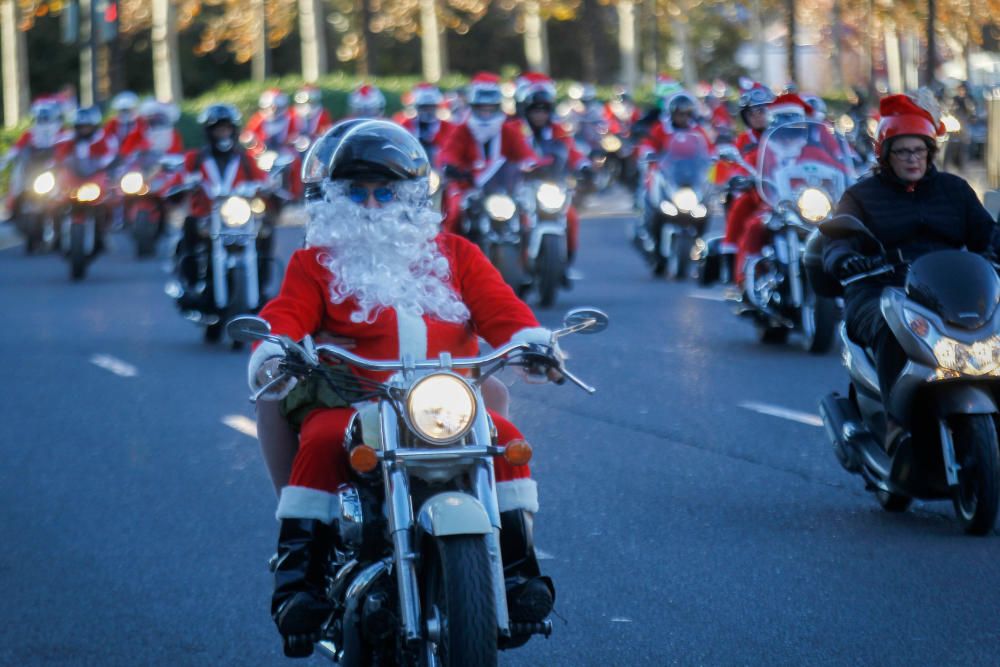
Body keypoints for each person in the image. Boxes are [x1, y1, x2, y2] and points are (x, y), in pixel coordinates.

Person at [247, 119, 558, 646]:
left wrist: (534, 341)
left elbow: (501, 309)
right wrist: (276, 347)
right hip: (355, 397)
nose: (372, 205)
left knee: (503, 436)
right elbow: (287, 313)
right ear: (332, 198)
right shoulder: (314, 263)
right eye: (357, 192)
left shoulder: (456, 253)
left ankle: (514, 574)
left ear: (412, 195)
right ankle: (299, 584)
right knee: (322, 439)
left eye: (386, 191)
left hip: (443, 400)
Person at [822, 93, 998, 431]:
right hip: (882, 289)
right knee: (892, 329)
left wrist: (995, 251)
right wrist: (845, 259)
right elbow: (838, 240)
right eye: (903, 151)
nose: (913, 159)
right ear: (886, 154)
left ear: (931, 152)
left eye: (920, 150)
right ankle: (896, 423)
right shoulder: (861, 196)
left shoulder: (955, 190)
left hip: (947, 290)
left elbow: (985, 234)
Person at [176, 105, 268, 300]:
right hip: (206, 217)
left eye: (226, 129)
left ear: (234, 131)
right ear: (209, 132)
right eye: (218, 129)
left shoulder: (245, 159)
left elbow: (263, 180)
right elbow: (177, 179)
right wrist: (185, 182)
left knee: (265, 229)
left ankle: (262, 285)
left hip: (239, 219)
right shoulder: (195, 158)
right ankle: (190, 285)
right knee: (189, 226)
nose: (223, 133)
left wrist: (269, 185)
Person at [438, 72, 542, 234]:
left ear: (498, 107)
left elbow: (525, 153)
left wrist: (532, 164)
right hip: (470, 188)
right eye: (481, 109)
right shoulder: (462, 130)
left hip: (504, 189)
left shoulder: (509, 129)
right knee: (454, 215)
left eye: (490, 109)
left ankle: (527, 253)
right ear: (473, 108)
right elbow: (449, 153)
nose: (486, 113)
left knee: (527, 216)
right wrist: (450, 167)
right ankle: (453, 254)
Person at [516, 79, 590, 271]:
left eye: (544, 110)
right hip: (521, 186)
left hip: (552, 184)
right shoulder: (515, 131)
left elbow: (572, 151)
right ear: (526, 111)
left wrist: (584, 165)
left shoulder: (558, 131)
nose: (539, 115)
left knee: (571, 217)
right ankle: (513, 265)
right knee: (515, 220)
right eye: (535, 110)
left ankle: (565, 262)